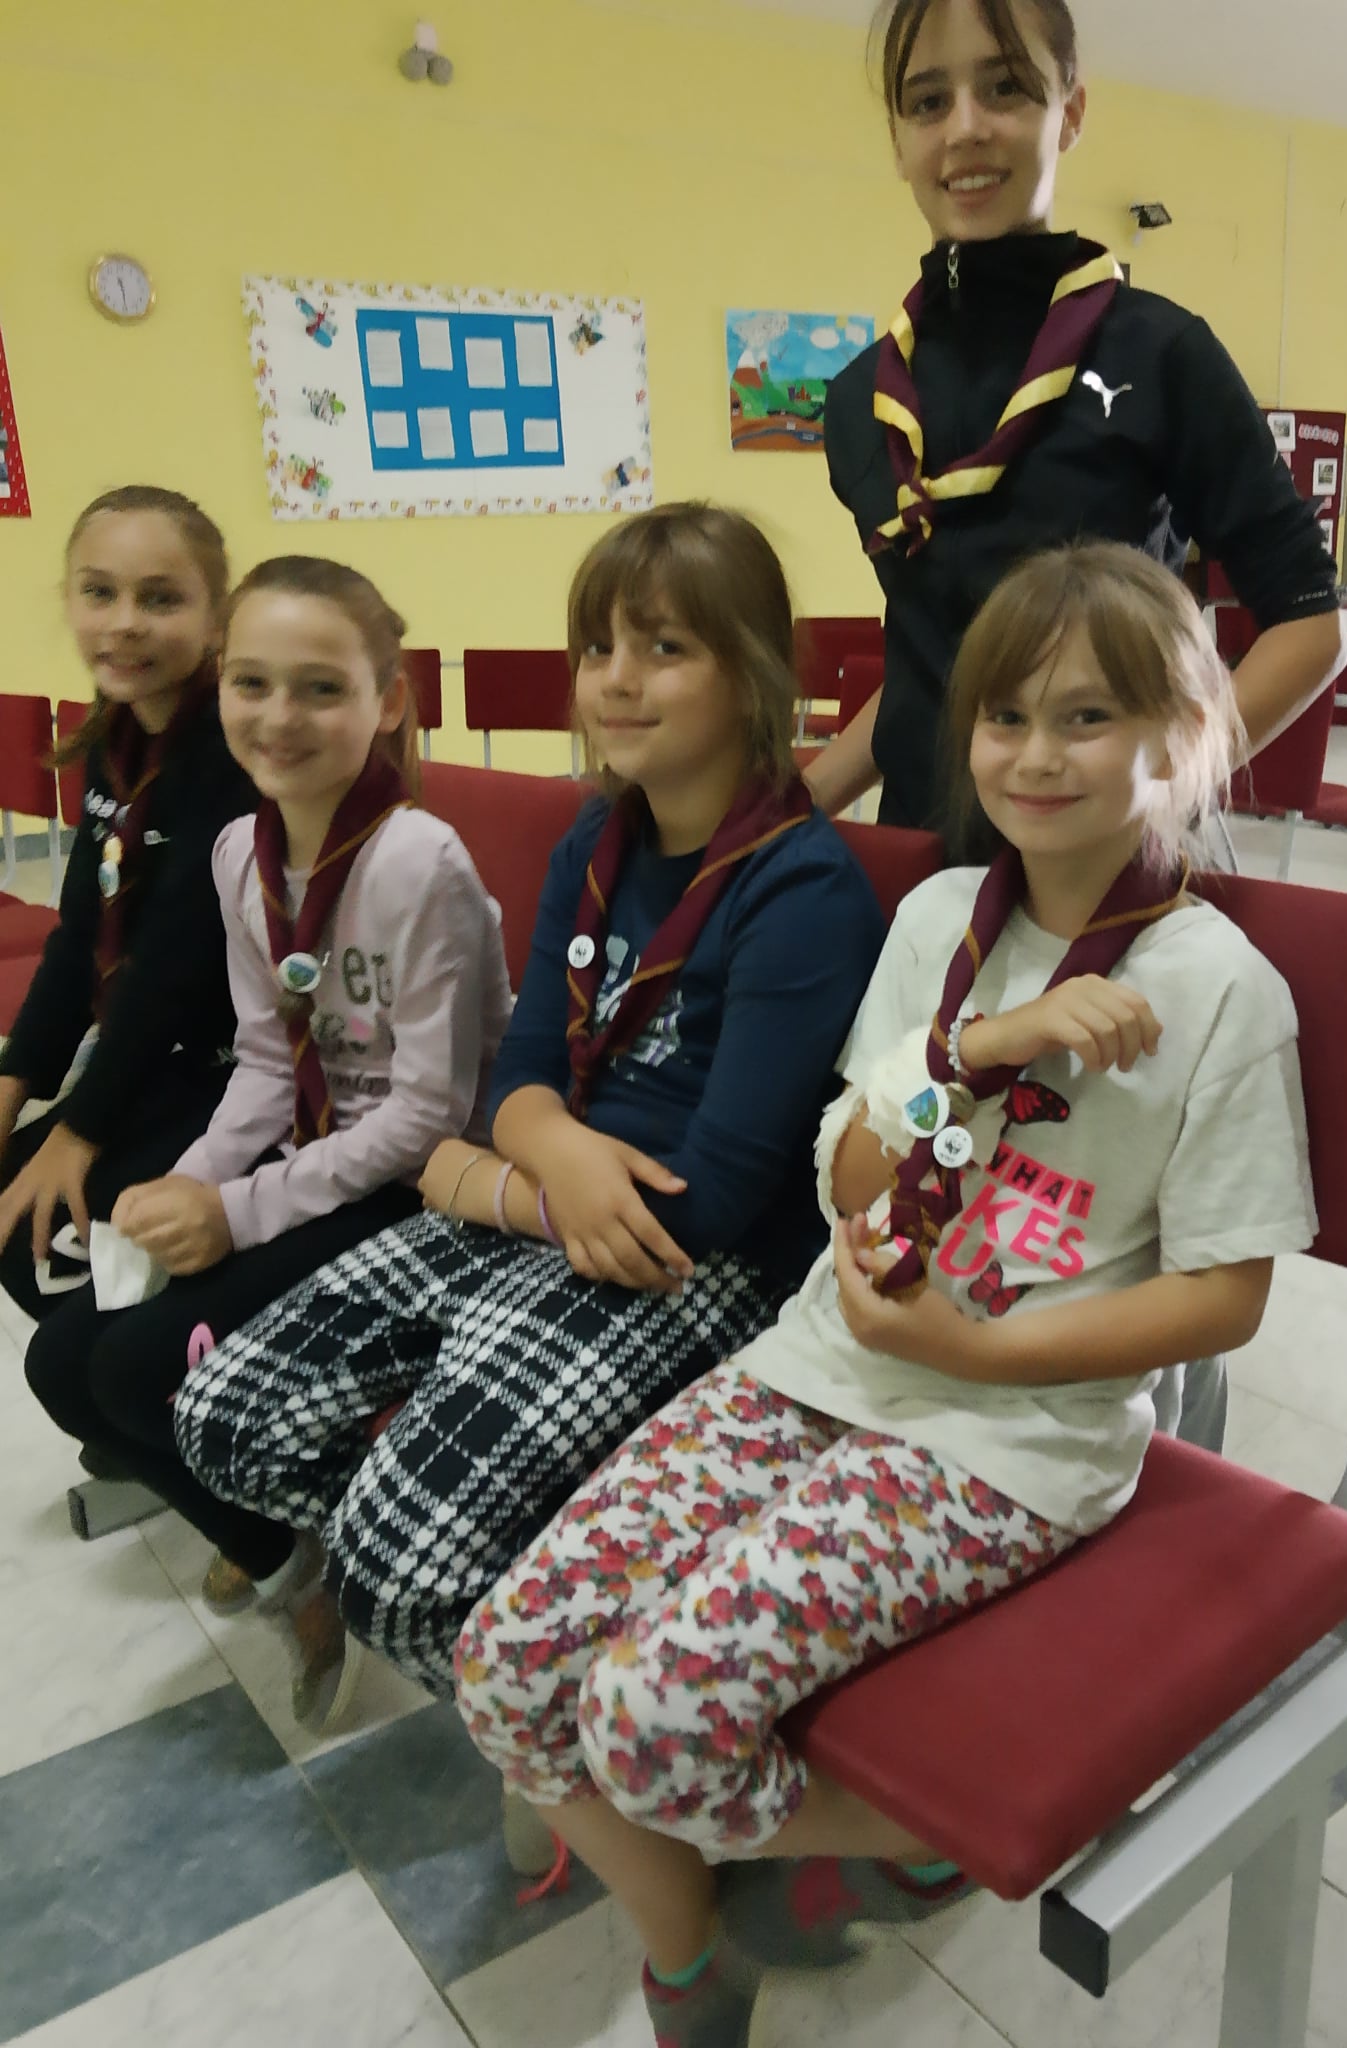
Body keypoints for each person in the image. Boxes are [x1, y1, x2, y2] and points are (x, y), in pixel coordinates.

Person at [454, 541, 1318, 2048]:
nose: (1034, 756)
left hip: (1010, 1435)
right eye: (1006, 717)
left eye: (1087, 718)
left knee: (650, 1728)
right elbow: (849, 1170)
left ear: (1185, 738)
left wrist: (969, 1354)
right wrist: (975, 1051)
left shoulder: (1223, 988)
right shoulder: (940, 922)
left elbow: (1224, 1300)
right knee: (506, 1669)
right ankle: (692, 1949)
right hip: (824, 1363)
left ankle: (914, 1837)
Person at [174, 501, 887, 1714]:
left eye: (665, 648)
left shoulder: (801, 887)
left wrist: (485, 1170)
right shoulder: (599, 837)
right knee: (224, 1419)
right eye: (598, 647)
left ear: (754, 668)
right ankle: (499, 1548)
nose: (618, 679)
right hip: (555, 1199)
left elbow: (711, 1199)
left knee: (395, 1568)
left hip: (680, 1256)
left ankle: (549, 1709)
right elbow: (518, 1080)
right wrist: (539, 1154)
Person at [25, 555, 510, 1724]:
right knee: (58, 1365)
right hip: (316, 1158)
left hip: (424, 1187)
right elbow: (260, 1059)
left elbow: (425, 1115)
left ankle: (317, 1544)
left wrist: (236, 1211)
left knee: (133, 1367)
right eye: (251, 682)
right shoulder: (242, 853)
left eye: (320, 687)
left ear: (387, 700)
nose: (278, 716)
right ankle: (289, 1556)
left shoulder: (418, 860)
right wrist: (188, 1180)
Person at [805, 0, 1344, 836]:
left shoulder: (1161, 355)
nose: (965, 128)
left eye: (1005, 88)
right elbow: (927, 665)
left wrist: (1161, 793)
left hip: (1102, 871)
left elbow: (1309, 623)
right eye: (929, 101)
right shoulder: (859, 401)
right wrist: (788, 812)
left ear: (1071, 112)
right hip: (917, 870)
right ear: (899, 140)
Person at [0, 486, 255, 1325]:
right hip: (164, 1045)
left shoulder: (232, 751)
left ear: (217, 617)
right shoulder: (114, 740)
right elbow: (82, 933)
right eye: (99, 593)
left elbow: (173, 963)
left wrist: (81, 1132)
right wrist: (13, 1084)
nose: (124, 623)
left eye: (161, 599)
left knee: (38, 1243)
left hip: (243, 1065)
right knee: (20, 1215)